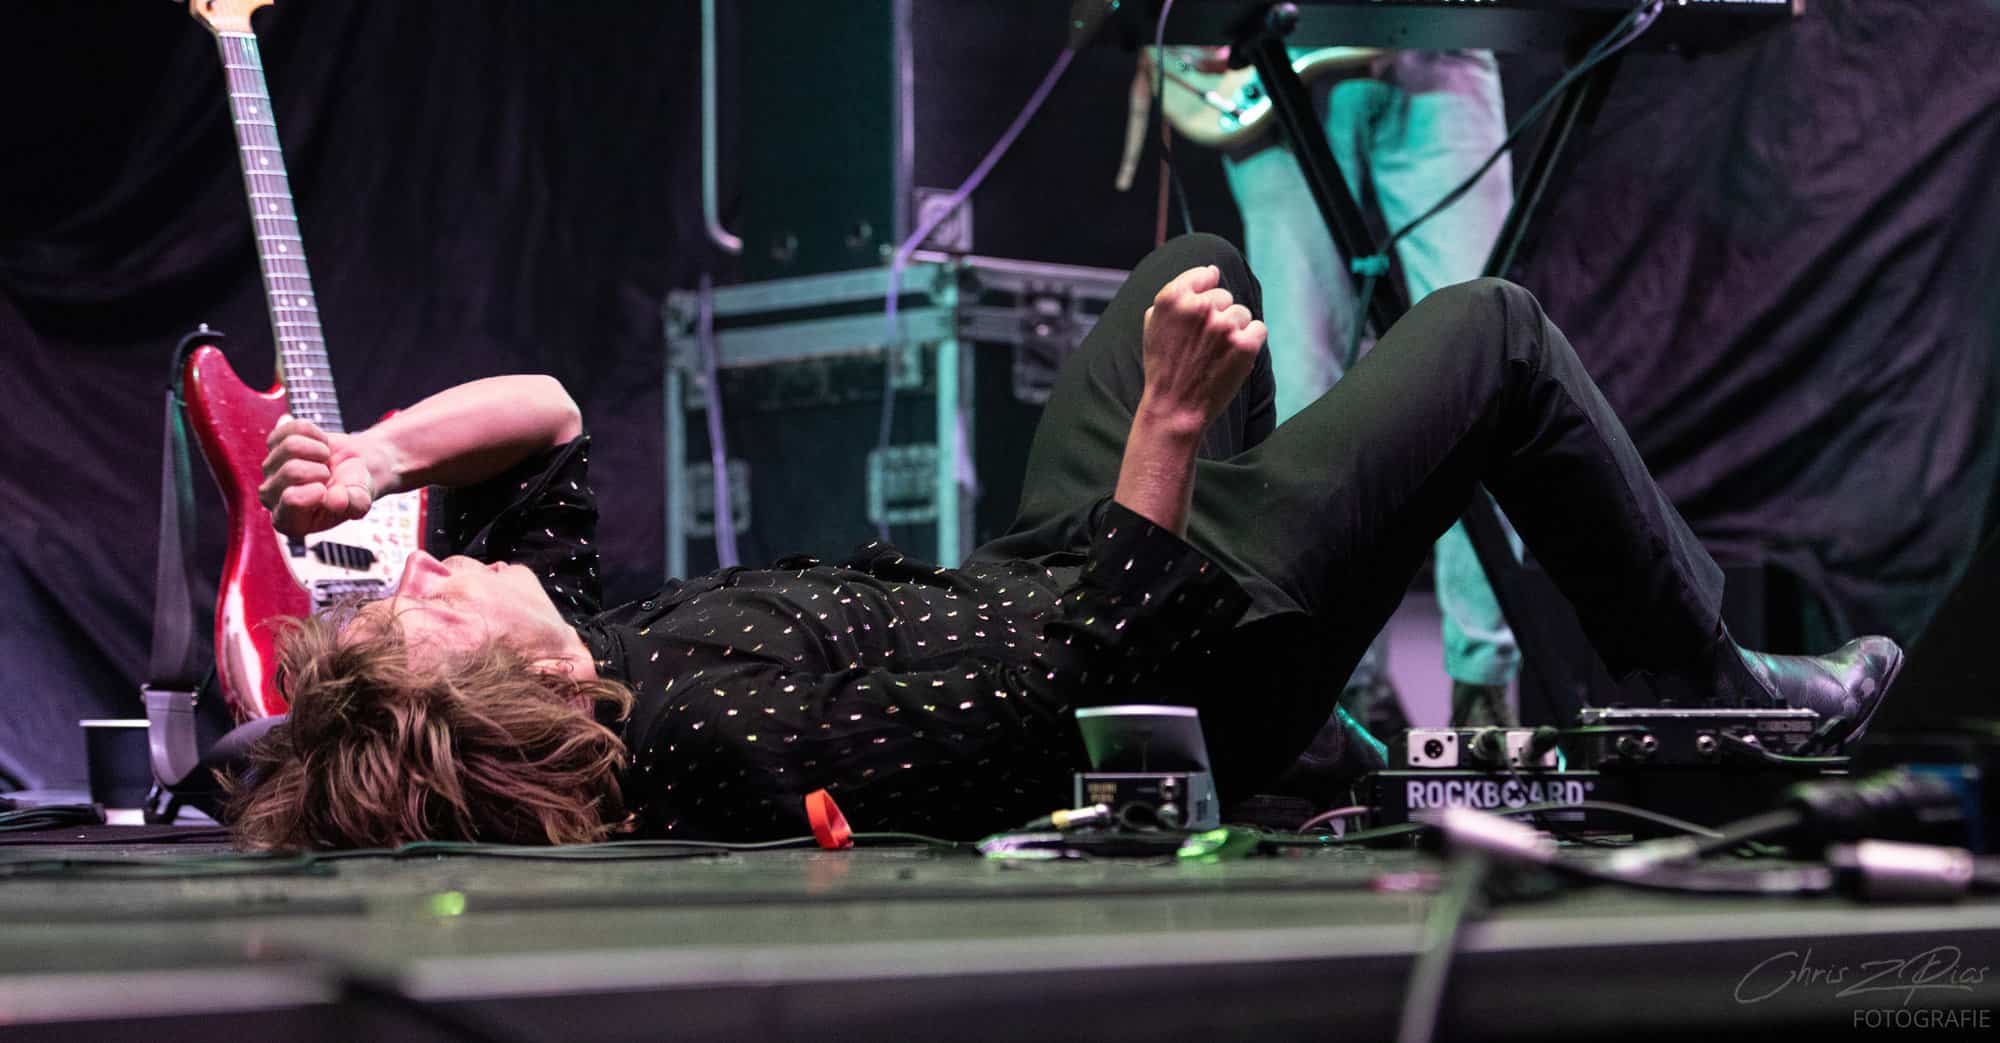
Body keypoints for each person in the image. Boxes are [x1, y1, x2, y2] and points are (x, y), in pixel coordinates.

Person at [229, 235, 1900, 850]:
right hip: (1176, 643)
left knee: (1185, 262)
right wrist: (1169, 425)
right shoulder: (703, 730)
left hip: (1053, 567)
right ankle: (1718, 700)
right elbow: (1067, 702)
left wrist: (372, 451)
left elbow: (547, 413)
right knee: (1494, 332)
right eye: (420, 607)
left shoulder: (586, 650)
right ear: (493, 700)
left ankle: (1315, 735)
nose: (424, 563)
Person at [1212, 46, 1525, 732]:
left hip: (1437, 45)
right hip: (1276, 56)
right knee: (1302, 398)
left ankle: (1484, 691)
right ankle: (1332, 700)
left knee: (1493, 364)